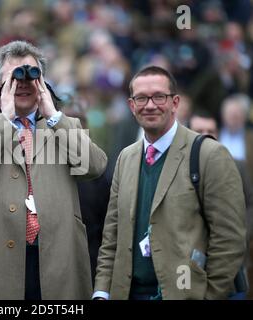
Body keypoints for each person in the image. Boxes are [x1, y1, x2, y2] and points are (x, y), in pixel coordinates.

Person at [0, 40, 107, 299]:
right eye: (15, 77)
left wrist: (53, 114)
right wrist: (5, 120)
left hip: (58, 259)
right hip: (0, 259)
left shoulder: (63, 126)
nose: (24, 83)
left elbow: (95, 166)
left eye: (31, 76)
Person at [93, 66, 246, 300]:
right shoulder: (126, 158)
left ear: (175, 103)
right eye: (141, 98)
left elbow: (229, 239)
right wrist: (101, 291)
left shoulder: (209, 154)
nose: (150, 105)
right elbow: (112, 236)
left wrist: (209, 295)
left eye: (159, 96)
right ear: (132, 106)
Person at [189, 110, 253, 299]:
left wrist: (242, 233)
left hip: (231, 267)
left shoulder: (237, 165)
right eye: (199, 130)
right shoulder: (177, 168)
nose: (206, 135)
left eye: (211, 130)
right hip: (189, 269)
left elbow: (251, 204)